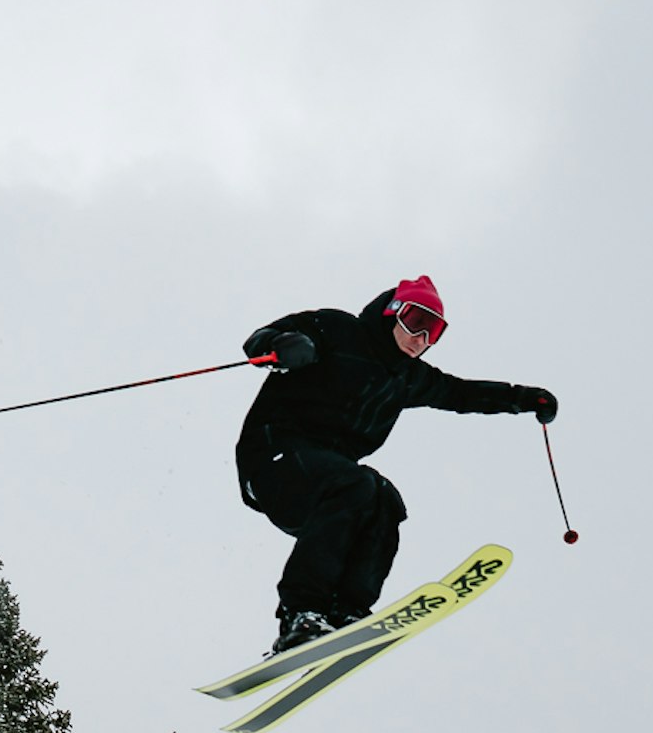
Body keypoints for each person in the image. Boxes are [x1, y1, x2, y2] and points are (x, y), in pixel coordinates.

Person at [236, 275, 557, 654]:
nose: (420, 338)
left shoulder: (407, 377)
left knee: (382, 499)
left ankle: (346, 612)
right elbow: (259, 341)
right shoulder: (337, 329)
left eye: (432, 332)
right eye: (415, 321)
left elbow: (462, 393)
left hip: (327, 481)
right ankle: (301, 613)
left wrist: (523, 399)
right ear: (392, 312)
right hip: (274, 458)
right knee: (356, 485)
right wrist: (285, 345)